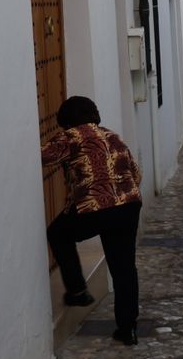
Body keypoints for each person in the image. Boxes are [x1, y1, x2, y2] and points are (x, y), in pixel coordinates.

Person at [40, 96, 143, 345]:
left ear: (66, 119)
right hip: (128, 205)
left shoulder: (71, 136)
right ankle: (128, 329)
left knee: (58, 233)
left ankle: (77, 291)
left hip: (96, 206)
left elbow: (42, 157)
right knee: (124, 268)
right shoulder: (112, 136)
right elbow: (135, 173)